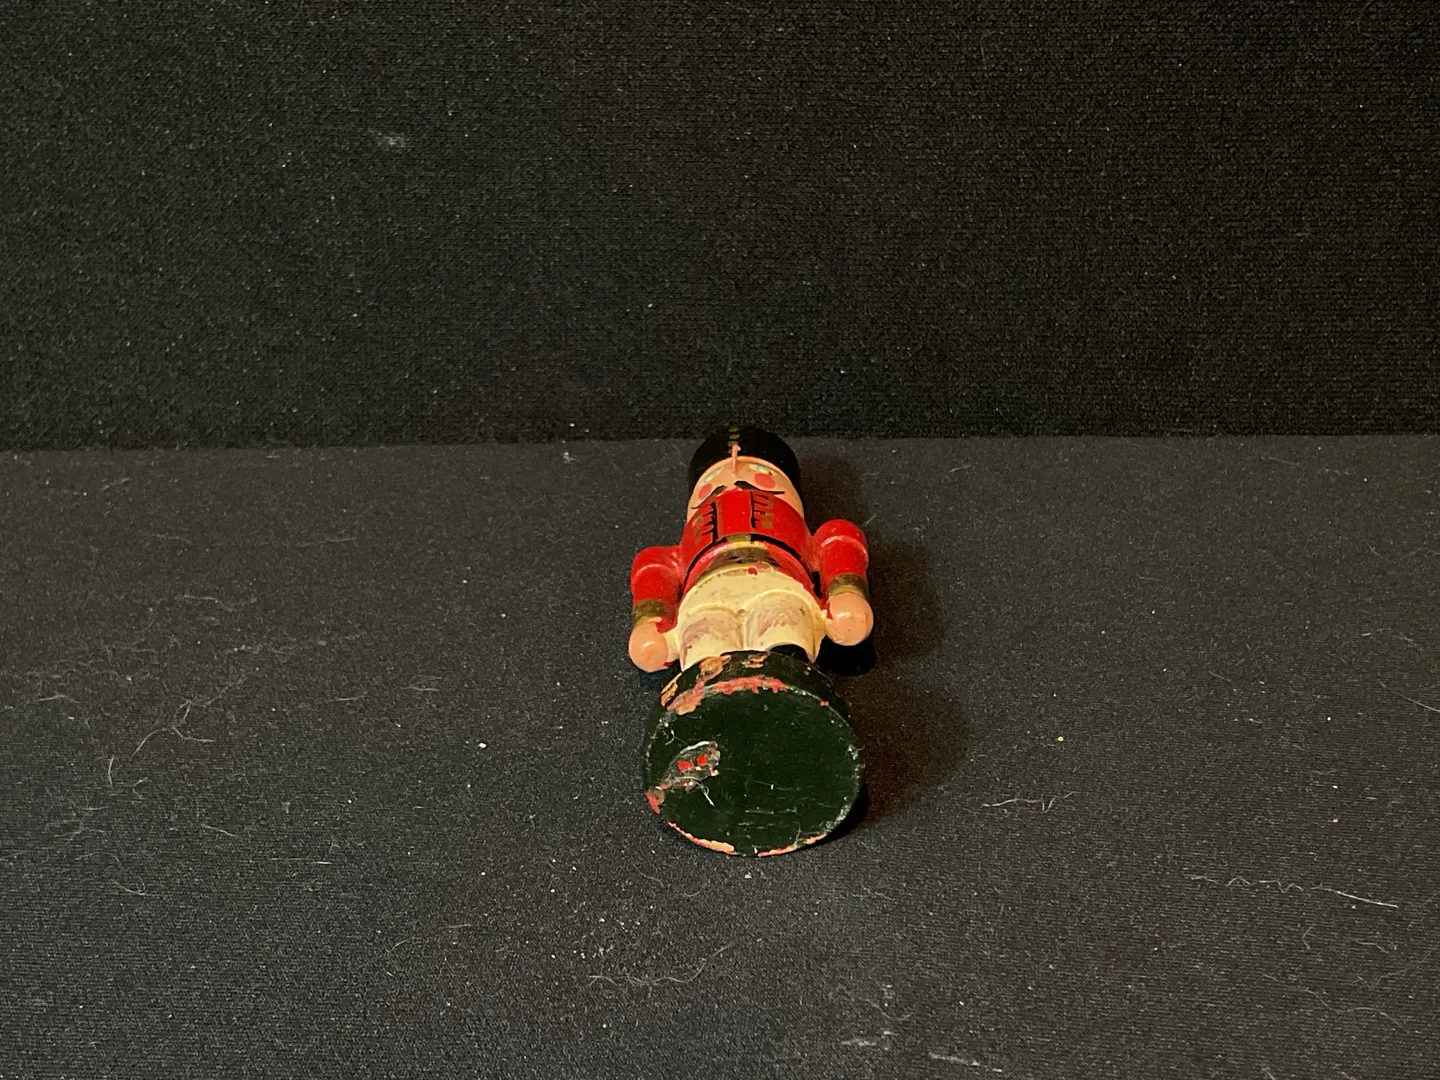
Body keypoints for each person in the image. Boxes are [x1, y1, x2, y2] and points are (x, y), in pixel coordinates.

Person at [628, 426, 873, 671]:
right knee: (705, 636)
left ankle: (785, 669)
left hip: (781, 585)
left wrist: (845, 591)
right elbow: (654, 566)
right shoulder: (690, 539)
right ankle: (710, 679)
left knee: (784, 623)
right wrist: (651, 620)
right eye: (711, 484)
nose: (734, 484)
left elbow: (837, 539)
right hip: (704, 599)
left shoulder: (792, 526)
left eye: (760, 475)